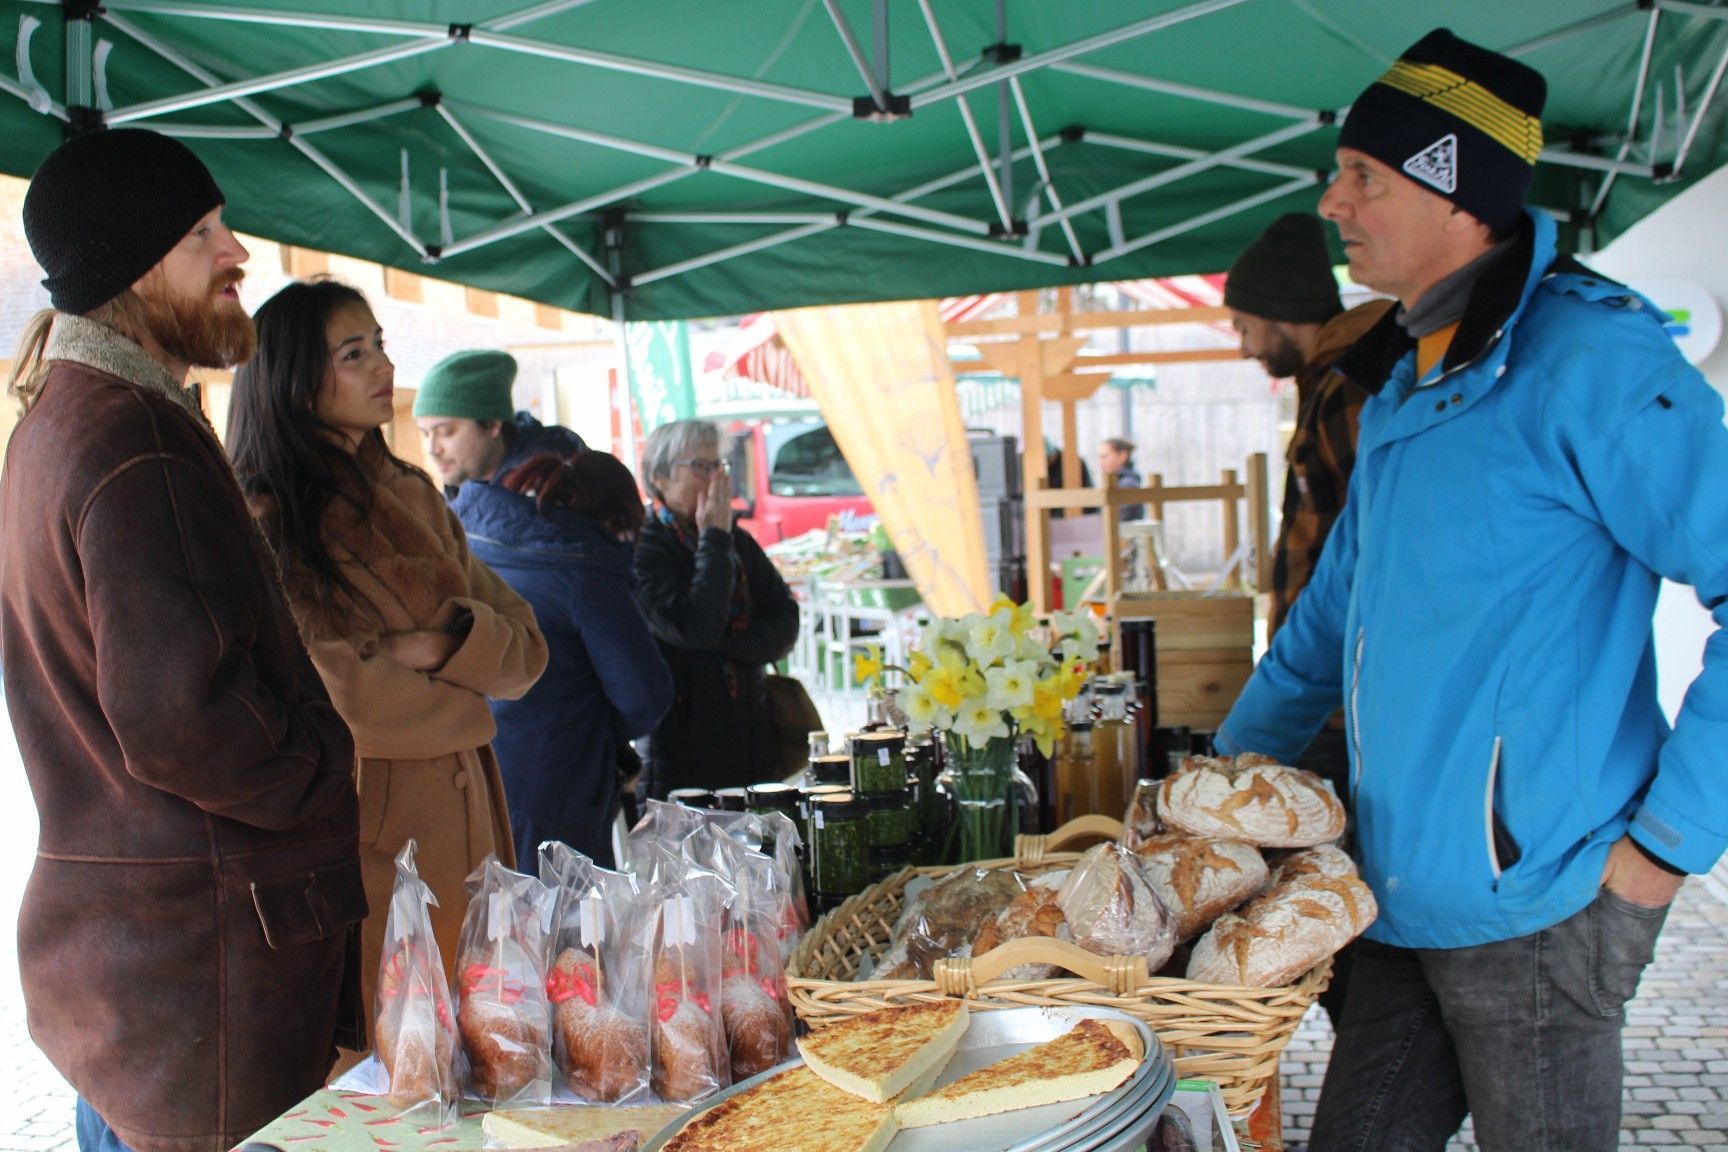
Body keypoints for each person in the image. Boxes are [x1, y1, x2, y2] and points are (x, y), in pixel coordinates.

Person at [1213, 29, 1728, 1152]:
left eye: (1363, 176)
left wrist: (1666, 850)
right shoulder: (1405, 383)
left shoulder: (1592, 362)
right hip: (1397, 898)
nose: (1331, 202)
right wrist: (1211, 795)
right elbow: (1321, 634)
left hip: (1545, 909)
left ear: (1456, 194)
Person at [1, 129, 364, 1152]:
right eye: (203, 232)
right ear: (131, 267)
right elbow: (180, 718)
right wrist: (328, 764)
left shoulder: (69, 423)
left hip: (145, 986)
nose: (236, 252)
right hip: (197, 981)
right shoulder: (132, 437)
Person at [226, 279, 548, 1019]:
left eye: (380, 346)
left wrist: (434, 647)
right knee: (391, 1060)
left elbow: (526, 647)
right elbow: (337, 693)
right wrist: (472, 685)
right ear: (296, 380)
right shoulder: (270, 516)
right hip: (374, 840)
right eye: (353, 353)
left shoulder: (414, 493)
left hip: (473, 823)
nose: (382, 368)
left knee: (487, 1035)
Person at [452, 450, 673, 866]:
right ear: (616, 522)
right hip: (557, 781)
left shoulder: (477, 540)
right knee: (565, 924)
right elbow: (645, 697)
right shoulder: (587, 573)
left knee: (495, 919)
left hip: (473, 771)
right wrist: (598, 721)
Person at [1223, 212, 1393, 637]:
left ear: (1280, 311)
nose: (1244, 349)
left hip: (1342, 662)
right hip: (1326, 662)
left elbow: (1377, 539)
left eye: (1244, 328)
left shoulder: (1351, 388)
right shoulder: (1325, 380)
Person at [634, 419, 800, 800]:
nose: (715, 480)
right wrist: (712, 538)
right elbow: (695, 626)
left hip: (754, 737)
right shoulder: (646, 545)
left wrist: (722, 643)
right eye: (700, 467)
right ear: (660, 477)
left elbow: (786, 621)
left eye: (719, 466)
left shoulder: (734, 540)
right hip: (680, 749)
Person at [412, 348, 585, 490]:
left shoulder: (551, 490)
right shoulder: (463, 486)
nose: (432, 449)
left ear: (492, 425)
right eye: (425, 434)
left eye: (445, 432)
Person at [1096, 437, 1145, 521]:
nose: (1100, 463)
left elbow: (1119, 519)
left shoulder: (1127, 485)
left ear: (1123, 456)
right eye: (1100, 458)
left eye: (1105, 457)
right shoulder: (1122, 483)